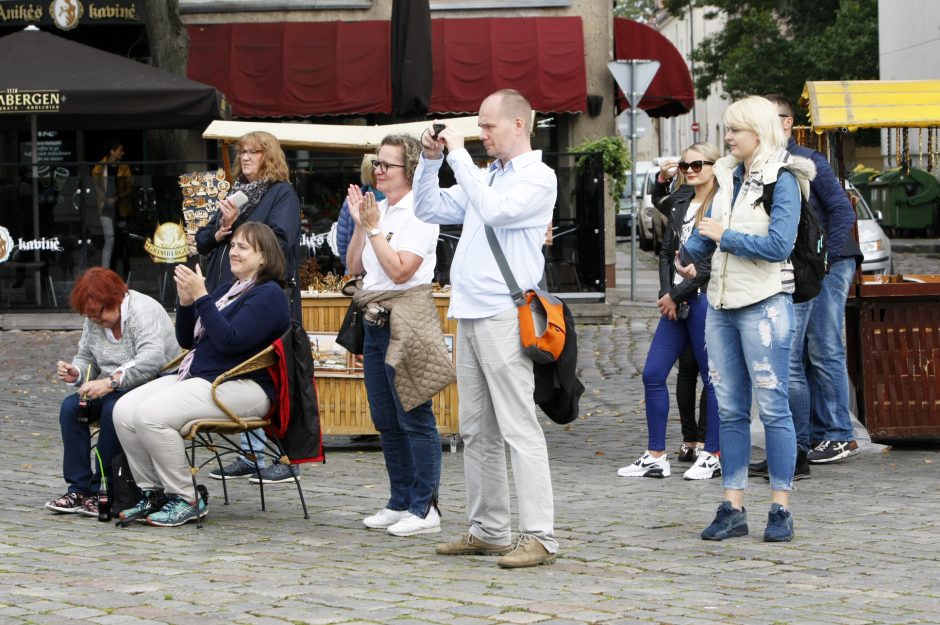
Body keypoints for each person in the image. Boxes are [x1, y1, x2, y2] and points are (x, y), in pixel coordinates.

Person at [413, 89, 558, 568]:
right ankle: (489, 529)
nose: (481, 134)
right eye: (478, 127)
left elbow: (495, 210)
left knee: (519, 428)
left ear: (518, 124)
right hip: (469, 311)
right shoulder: (487, 176)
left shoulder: (538, 177)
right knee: (475, 431)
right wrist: (431, 161)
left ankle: (539, 535)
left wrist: (458, 155)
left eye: (488, 126)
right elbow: (429, 209)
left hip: (504, 313)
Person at [677, 96, 813, 543]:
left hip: (765, 305)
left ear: (758, 131)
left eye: (735, 129)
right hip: (720, 305)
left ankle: (780, 507)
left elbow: (778, 246)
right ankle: (732, 506)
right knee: (731, 409)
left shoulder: (784, 180)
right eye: (728, 129)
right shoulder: (727, 176)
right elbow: (709, 234)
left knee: (773, 408)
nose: (728, 137)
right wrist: (691, 259)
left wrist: (724, 237)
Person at [113, 222, 291, 527]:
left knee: (150, 415)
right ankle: (154, 493)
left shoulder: (269, 294)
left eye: (243, 247)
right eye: (233, 245)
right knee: (123, 410)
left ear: (263, 256)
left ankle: (186, 497)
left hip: (243, 386)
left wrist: (202, 297)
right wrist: (186, 303)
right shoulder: (227, 291)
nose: (233, 251)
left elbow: (230, 341)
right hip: (202, 376)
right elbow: (187, 340)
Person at [748, 95, 863, 476]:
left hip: (831, 262)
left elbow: (843, 209)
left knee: (824, 344)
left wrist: (825, 257)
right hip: (809, 266)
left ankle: (838, 434)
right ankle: (813, 433)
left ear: (785, 123)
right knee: (802, 351)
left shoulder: (809, 162)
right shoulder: (770, 165)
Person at [345, 134, 449, 537]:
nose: (378, 171)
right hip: (374, 318)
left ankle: (426, 507)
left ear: (409, 171)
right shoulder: (380, 210)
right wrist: (361, 226)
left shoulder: (420, 212)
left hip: (406, 317)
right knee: (385, 418)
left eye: (387, 165)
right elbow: (355, 266)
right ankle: (400, 499)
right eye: (376, 163)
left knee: (414, 415)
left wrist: (372, 229)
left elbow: (402, 270)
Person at [196, 131, 302, 484]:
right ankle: (250, 453)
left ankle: (286, 456)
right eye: (242, 152)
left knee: (274, 372)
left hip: (266, 295)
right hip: (230, 291)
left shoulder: (281, 193)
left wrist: (237, 225)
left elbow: (280, 241)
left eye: (253, 152)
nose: (244, 158)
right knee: (239, 366)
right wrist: (221, 228)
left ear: (268, 156)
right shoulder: (235, 194)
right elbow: (202, 239)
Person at [617, 143, 721, 481]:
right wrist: (667, 293)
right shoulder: (680, 200)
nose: (691, 171)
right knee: (653, 373)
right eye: (686, 166)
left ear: (715, 166)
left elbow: (709, 263)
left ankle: (713, 453)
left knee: (713, 379)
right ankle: (656, 455)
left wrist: (676, 294)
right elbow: (665, 251)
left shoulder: (720, 204)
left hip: (704, 298)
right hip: (676, 301)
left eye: (698, 165)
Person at [45, 268, 178, 517]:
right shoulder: (94, 318)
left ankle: (103, 489)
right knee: (70, 408)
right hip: (112, 386)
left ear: (116, 298)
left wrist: (110, 382)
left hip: (151, 385)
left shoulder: (143, 310)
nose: (95, 320)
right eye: (90, 316)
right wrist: (77, 372)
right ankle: (78, 488)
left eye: (99, 314)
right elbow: (87, 356)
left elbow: (151, 360)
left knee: (112, 409)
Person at [336, 153, 386, 272]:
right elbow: (342, 244)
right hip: (359, 276)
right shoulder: (353, 202)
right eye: (375, 170)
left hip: (387, 274)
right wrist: (352, 265)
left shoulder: (397, 201)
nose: (379, 173)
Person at [91, 140, 133, 275]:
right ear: (112, 151)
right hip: (106, 208)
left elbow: (130, 186)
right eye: (120, 150)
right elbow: (95, 188)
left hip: (121, 209)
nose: (122, 153)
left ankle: (124, 272)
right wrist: (104, 199)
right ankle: (106, 271)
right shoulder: (99, 168)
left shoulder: (124, 167)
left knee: (121, 240)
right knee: (110, 238)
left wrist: (117, 197)